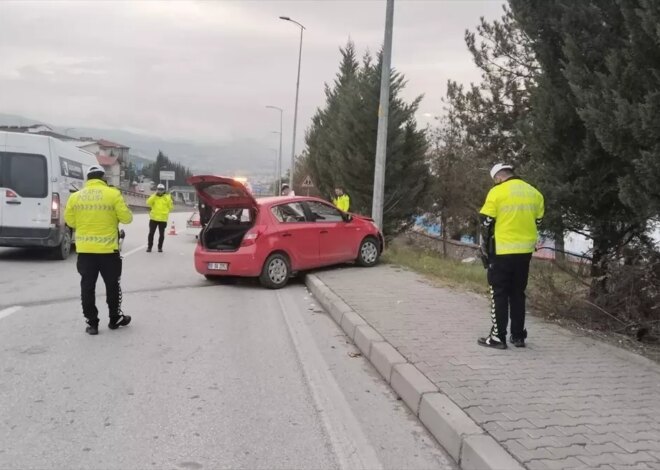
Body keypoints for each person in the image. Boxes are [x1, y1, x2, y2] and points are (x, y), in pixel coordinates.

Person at [477, 163, 544, 349]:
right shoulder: (535, 193)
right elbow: (538, 221)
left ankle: (498, 337)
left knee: (499, 293)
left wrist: (484, 246)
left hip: (501, 251)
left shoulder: (497, 192)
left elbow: (485, 221)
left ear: (498, 177)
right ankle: (518, 336)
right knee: (517, 293)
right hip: (524, 253)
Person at [64, 165, 133, 335]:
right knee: (112, 286)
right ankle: (114, 318)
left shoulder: (75, 197)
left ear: (88, 179)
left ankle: (92, 323)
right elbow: (127, 218)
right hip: (108, 251)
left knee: (87, 287)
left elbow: (70, 222)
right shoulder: (113, 194)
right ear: (103, 178)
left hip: (85, 251)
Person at [146, 183, 174, 253]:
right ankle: (149, 247)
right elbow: (148, 203)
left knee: (161, 234)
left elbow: (171, 208)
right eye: (158, 189)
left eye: (161, 189)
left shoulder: (167, 197)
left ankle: (160, 247)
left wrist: (169, 199)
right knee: (151, 233)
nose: (160, 191)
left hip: (162, 219)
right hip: (153, 219)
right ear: (157, 190)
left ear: (164, 190)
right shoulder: (154, 196)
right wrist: (154, 195)